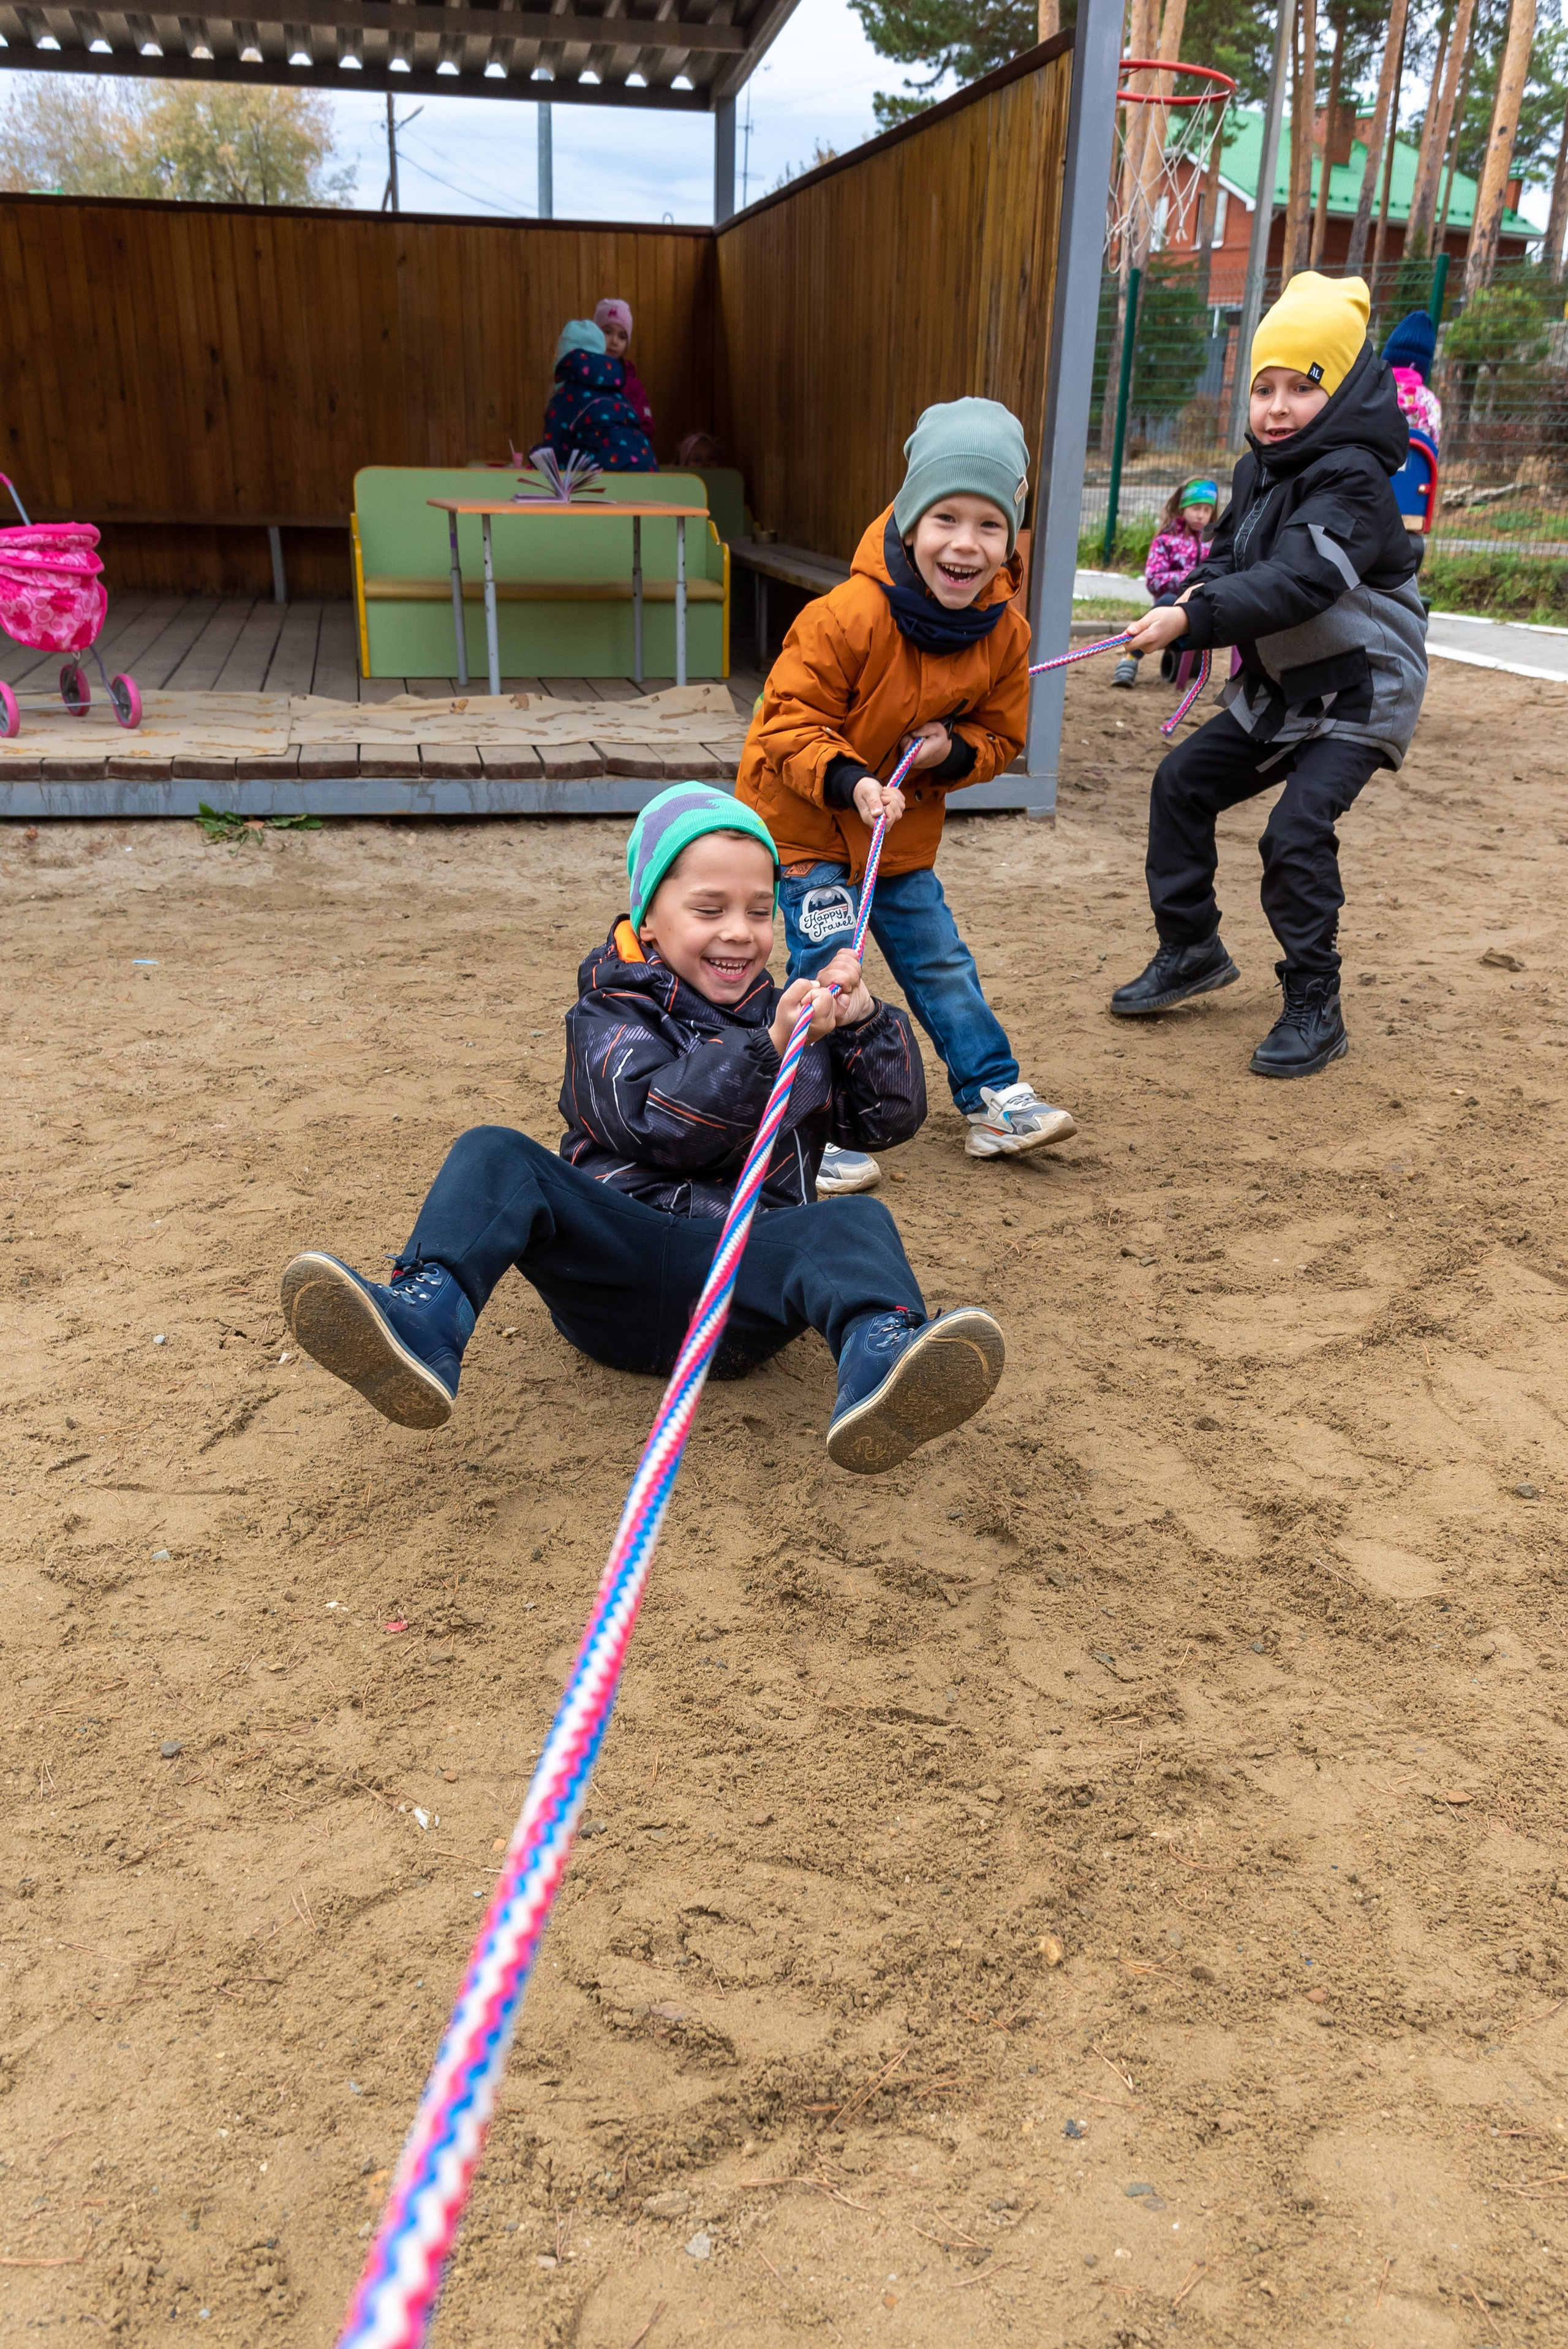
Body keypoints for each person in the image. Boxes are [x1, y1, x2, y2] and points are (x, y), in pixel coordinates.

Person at [279, 785, 1005, 1477]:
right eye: (709, 908)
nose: (738, 933)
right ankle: (423, 1318)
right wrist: (765, 1051)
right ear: (648, 917)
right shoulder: (607, 1014)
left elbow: (887, 1121)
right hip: (611, 1271)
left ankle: (878, 1358)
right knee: (493, 1152)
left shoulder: (795, 1016)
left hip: (737, 1305)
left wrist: (865, 1027)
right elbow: (658, 1123)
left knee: (857, 1220)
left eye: (759, 911)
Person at [736, 396, 1077, 1196]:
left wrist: (949, 750)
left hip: (899, 834)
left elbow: (1000, 735)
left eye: (989, 524)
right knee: (827, 971)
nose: (965, 544)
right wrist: (852, 781)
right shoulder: (845, 616)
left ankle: (994, 1098)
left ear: (1012, 537)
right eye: (946, 518)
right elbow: (787, 724)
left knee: (940, 962)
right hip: (808, 824)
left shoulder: (1006, 633)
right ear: (911, 518)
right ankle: (807, 1128)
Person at [1108, 272, 1427, 1080]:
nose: (1277, 407)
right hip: (1284, 691)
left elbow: (1302, 580)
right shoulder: (1255, 474)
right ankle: (1191, 949)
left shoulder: (1353, 479)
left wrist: (1196, 618)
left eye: (1301, 387)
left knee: (1295, 832)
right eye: (1264, 387)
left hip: (1358, 693)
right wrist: (1188, 593)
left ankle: (1315, 1001)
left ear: (1347, 391)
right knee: (1183, 782)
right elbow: (1225, 559)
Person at [1112, 478, 1216, 688]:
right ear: (1183, 507)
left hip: (1201, 606)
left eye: (1207, 510)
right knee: (1168, 601)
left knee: (1189, 672)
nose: (1201, 515)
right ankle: (1132, 656)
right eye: (1196, 508)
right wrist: (1191, 578)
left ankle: (1180, 659)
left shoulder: (1214, 543)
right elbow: (1154, 579)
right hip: (1171, 604)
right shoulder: (1166, 540)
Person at [542, 319, 657, 475]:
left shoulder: (566, 397)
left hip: (606, 478)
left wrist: (536, 460)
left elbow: (555, 456)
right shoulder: (617, 392)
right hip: (649, 473)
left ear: (561, 359)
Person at [1382, 309, 1442, 561]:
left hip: (1366, 497)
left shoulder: (1374, 390)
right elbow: (1433, 451)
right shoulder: (1432, 404)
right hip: (1412, 509)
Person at [594, 298, 655, 439]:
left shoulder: (633, 385)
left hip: (625, 454)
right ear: (595, 334)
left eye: (622, 337)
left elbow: (646, 427)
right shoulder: (584, 377)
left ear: (628, 343)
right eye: (608, 332)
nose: (614, 341)